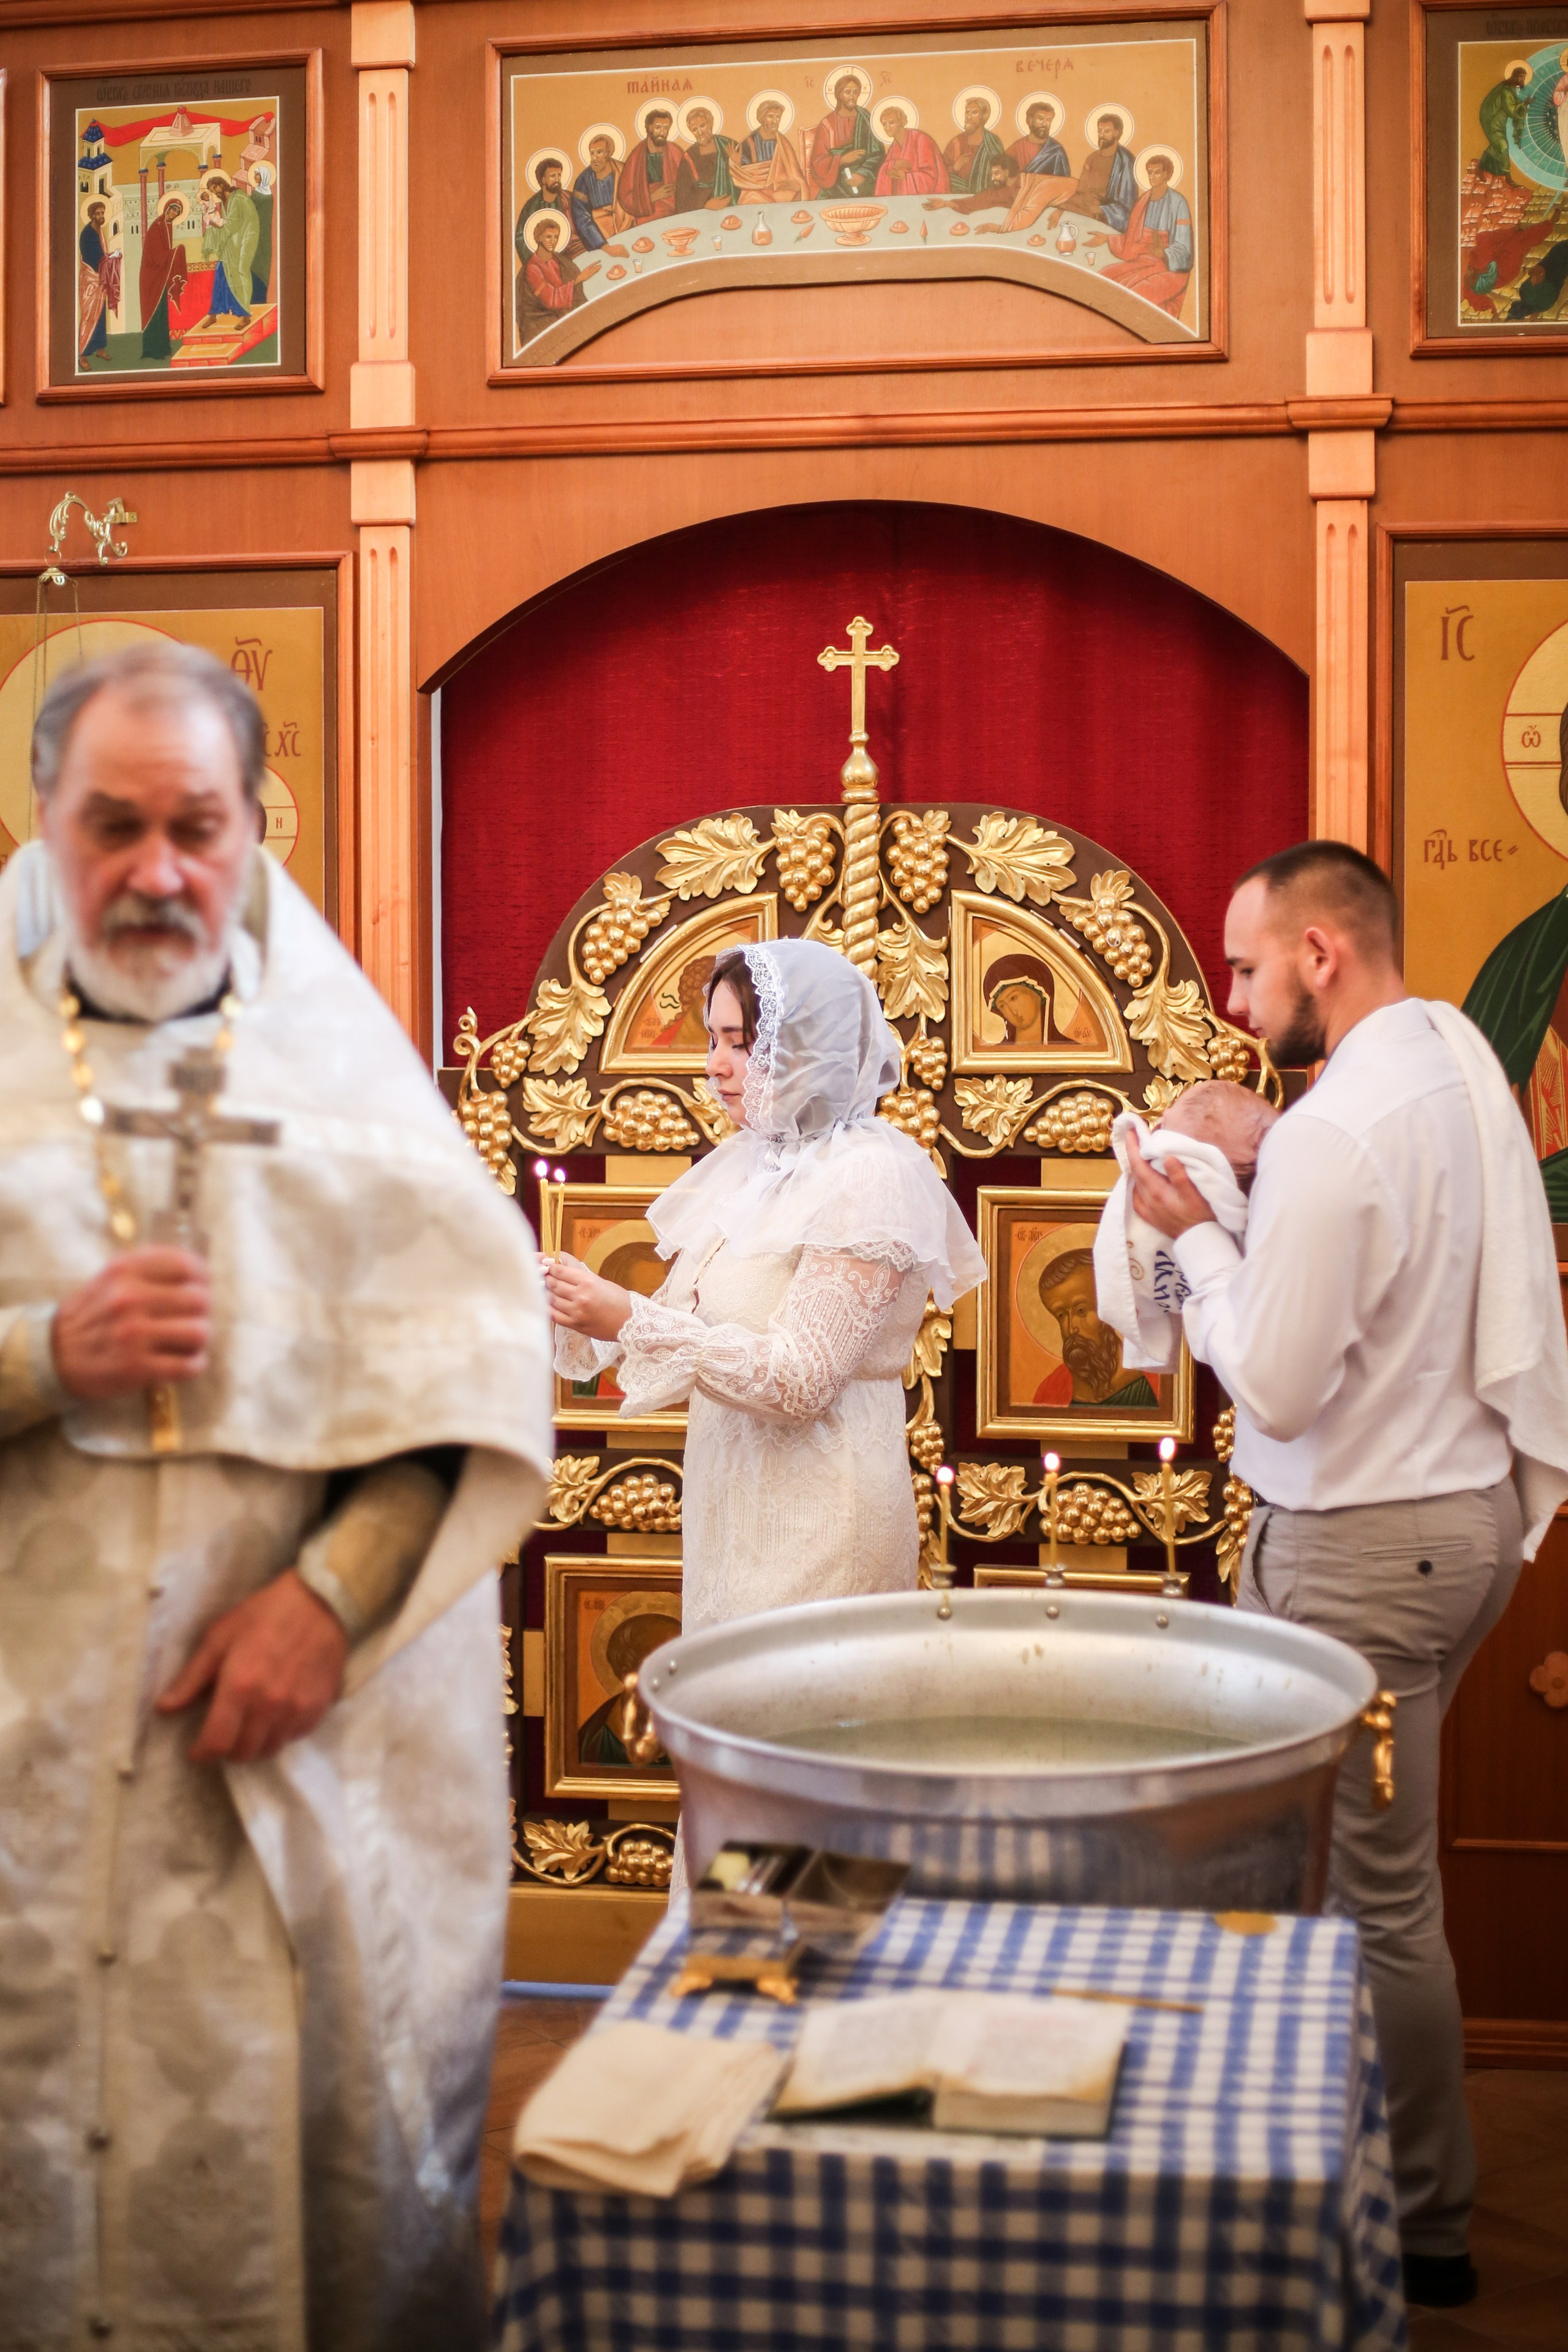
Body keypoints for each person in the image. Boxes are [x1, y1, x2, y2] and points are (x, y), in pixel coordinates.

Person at [0, 644, 552, 2349]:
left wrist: (329, 1599)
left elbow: (458, 1387)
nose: (156, 869)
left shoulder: (349, 1092)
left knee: (289, 2178)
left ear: (253, 830)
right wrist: (43, 1353)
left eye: (196, 825)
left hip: (295, 1758)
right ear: (44, 821)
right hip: (19, 1769)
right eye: (113, 825)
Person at [1125, 839, 1568, 2313]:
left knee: (1372, 1902)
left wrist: (1196, 1243)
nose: (1234, 1000)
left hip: (1360, 1553)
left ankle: (1420, 2220)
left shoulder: (1332, 1133)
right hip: (1456, 1522)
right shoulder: (1447, 1056)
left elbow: (1277, 1381)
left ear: (1317, 952)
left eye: (1246, 966)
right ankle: (1321, 2163)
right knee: (1347, 1881)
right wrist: (1267, 1159)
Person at [545, 938, 985, 1656]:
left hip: (821, 1525)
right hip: (734, 1517)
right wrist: (570, 1301)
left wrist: (626, 1316)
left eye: (740, 1043)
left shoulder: (868, 1174)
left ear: (807, 1046)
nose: (713, 1064)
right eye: (712, 1039)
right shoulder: (755, 1163)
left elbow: (800, 1379)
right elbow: (685, 1320)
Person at [1033, 1247, 1157, 1409]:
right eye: (1061, 1315)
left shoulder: (1155, 1377)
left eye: (1081, 1311)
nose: (1071, 1328)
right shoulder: (1052, 1389)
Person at [1091, 151, 1193, 317]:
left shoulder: (1178, 203)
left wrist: (1164, 253)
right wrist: (1108, 239)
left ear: (1166, 174)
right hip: (1143, 261)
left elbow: (1185, 248)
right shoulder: (1144, 200)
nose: (1152, 177)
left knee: (1135, 297)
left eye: (1157, 173)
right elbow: (1134, 239)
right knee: (1103, 279)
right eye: (1150, 172)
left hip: (1170, 269)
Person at [189, 172, 260, 334]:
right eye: (212, 191)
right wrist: (214, 223)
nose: (215, 192)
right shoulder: (226, 201)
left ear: (222, 184)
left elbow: (233, 225)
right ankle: (213, 314)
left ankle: (244, 315)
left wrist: (216, 224)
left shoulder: (237, 198)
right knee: (221, 273)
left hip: (243, 242)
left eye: (215, 188)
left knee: (239, 273)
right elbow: (228, 225)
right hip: (232, 244)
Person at [516, 212, 600, 345]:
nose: (553, 241)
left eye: (556, 237)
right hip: (544, 319)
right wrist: (579, 279)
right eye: (548, 237)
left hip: (562, 312)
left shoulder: (560, 260)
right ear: (538, 238)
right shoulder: (533, 268)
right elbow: (551, 300)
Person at [1047, 112, 1138, 233]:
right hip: (1086, 209)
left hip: (1108, 215)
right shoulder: (1092, 158)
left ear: (1117, 133)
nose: (1102, 135)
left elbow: (1127, 205)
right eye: (1100, 131)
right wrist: (1061, 209)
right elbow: (1080, 193)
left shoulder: (1126, 161)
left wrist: (1102, 210)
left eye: (1107, 131)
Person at [809, 73, 884, 200]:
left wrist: (863, 174)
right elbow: (818, 161)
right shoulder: (827, 124)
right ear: (839, 95)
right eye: (847, 92)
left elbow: (878, 154)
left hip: (864, 178)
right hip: (835, 181)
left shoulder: (866, 119)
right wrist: (841, 160)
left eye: (856, 93)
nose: (852, 97)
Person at [138, 192, 189, 363]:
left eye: (177, 212)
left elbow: (164, 256)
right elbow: (157, 256)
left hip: (160, 276)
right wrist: (177, 252)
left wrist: (173, 254)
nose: (174, 214)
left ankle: (164, 348)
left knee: (162, 313)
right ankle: (153, 351)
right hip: (151, 277)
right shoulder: (157, 227)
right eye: (173, 210)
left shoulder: (168, 227)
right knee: (154, 313)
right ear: (167, 209)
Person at [733, 98, 810, 205]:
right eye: (770, 117)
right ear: (762, 118)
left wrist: (797, 186)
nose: (775, 121)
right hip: (754, 192)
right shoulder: (748, 143)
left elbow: (796, 175)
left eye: (778, 117)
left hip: (779, 193)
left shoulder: (783, 144)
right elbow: (742, 177)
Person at [873, 105, 949, 198]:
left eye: (892, 123)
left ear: (901, 122)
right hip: (902, 199)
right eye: (884, 124)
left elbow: (931, 177)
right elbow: (886, 172)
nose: (887, 128)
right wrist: (893, 164)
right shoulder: (894, 147)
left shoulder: (921, 140)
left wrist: (906, 176)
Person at [78, 198, 116, 366]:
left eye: (103, 213)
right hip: (91, 280)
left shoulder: (99, 232)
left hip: (100, 279)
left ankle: (100, 349)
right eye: (98, 213)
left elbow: (102, 255)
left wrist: (110, 259)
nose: (101, 216)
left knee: (100, 316)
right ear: (92, 215)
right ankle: (83, 355)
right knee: (89, 317)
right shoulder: (87, 233)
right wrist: (109, 260)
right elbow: (92, 257)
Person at [1477, 61, 1531, 178]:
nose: (1523, 80)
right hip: (1493, 123)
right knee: (1503, 146)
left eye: (1524, 77)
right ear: (1515, 77)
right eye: (1521, 77)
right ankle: (1507, 176)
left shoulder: (1510, 90)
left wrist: (1523, 105)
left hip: (1499, 123)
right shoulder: (1506, 91)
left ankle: (1481, 169)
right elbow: (1511, 110)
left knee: (1495, 146)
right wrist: (1524, 104)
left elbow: (1514, 103)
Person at [944, 94, 1006, 193]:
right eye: (967, 112)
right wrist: (955, 168)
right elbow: (941, 172)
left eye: (974, 113)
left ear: (983, 116)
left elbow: (1003, 170)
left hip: (987, 195)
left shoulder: (993, 142)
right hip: (958, 194)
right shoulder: (956, 142)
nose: (969, 117)